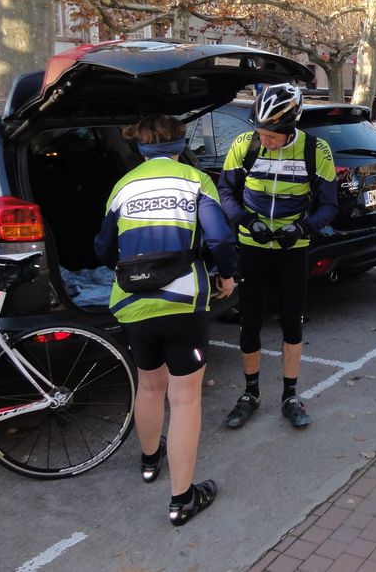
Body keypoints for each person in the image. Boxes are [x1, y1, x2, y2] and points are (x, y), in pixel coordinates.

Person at [94, 114, 237, 527]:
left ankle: (149, 461)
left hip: (132, 303)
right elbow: (220, 238)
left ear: (139, 147)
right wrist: (226, 275)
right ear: (180, 143)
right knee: (185, 397)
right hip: (181, 303)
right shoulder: (195, 180)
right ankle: (182, 499)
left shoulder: (123, 186)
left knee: (150, 384)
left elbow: (103, 247)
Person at [218, 83, 337, 430]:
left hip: (292, 250)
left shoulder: (317, 150)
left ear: (290, 129)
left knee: (291, 322)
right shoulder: (245, 145)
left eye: (271, 135)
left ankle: (290, 395)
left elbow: (330, 204)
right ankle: (250, 393)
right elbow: (225, 189)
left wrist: (304, 228)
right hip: (252, 247)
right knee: (250, 321)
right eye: (261, 132)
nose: (264, 139)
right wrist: (244, 220)